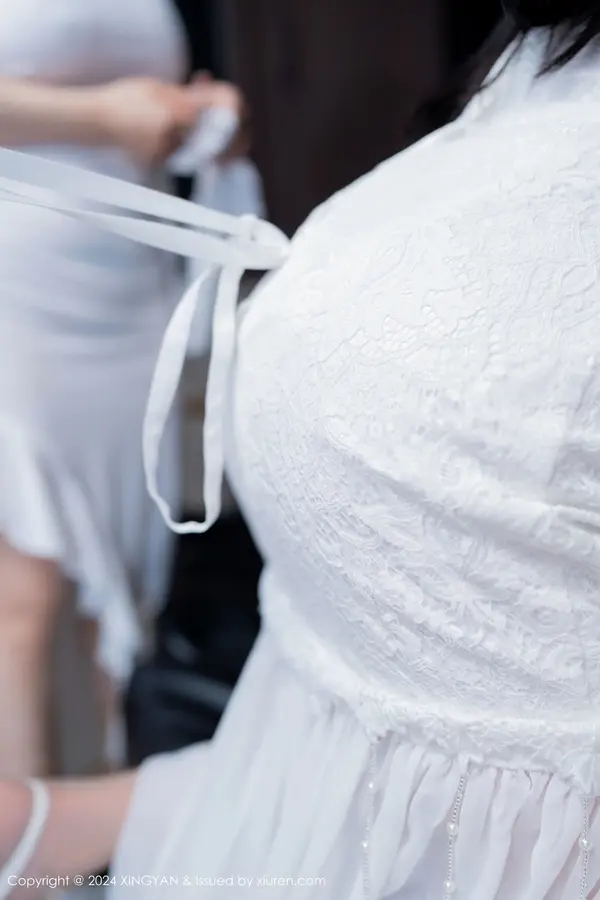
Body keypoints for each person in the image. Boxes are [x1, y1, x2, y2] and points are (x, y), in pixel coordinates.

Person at [3, 0, 600, 897]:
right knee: (33, 580)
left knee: (104, 586)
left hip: (119, 285)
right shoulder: (530, 74)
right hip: (36, 267)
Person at [0, 0, 243, 779]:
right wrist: (100, 118)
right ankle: (26, 842)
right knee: (25, 591)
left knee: (125, 587)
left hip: (130, 284)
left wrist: (205, 114)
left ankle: (105, 822)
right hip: (17, 282)